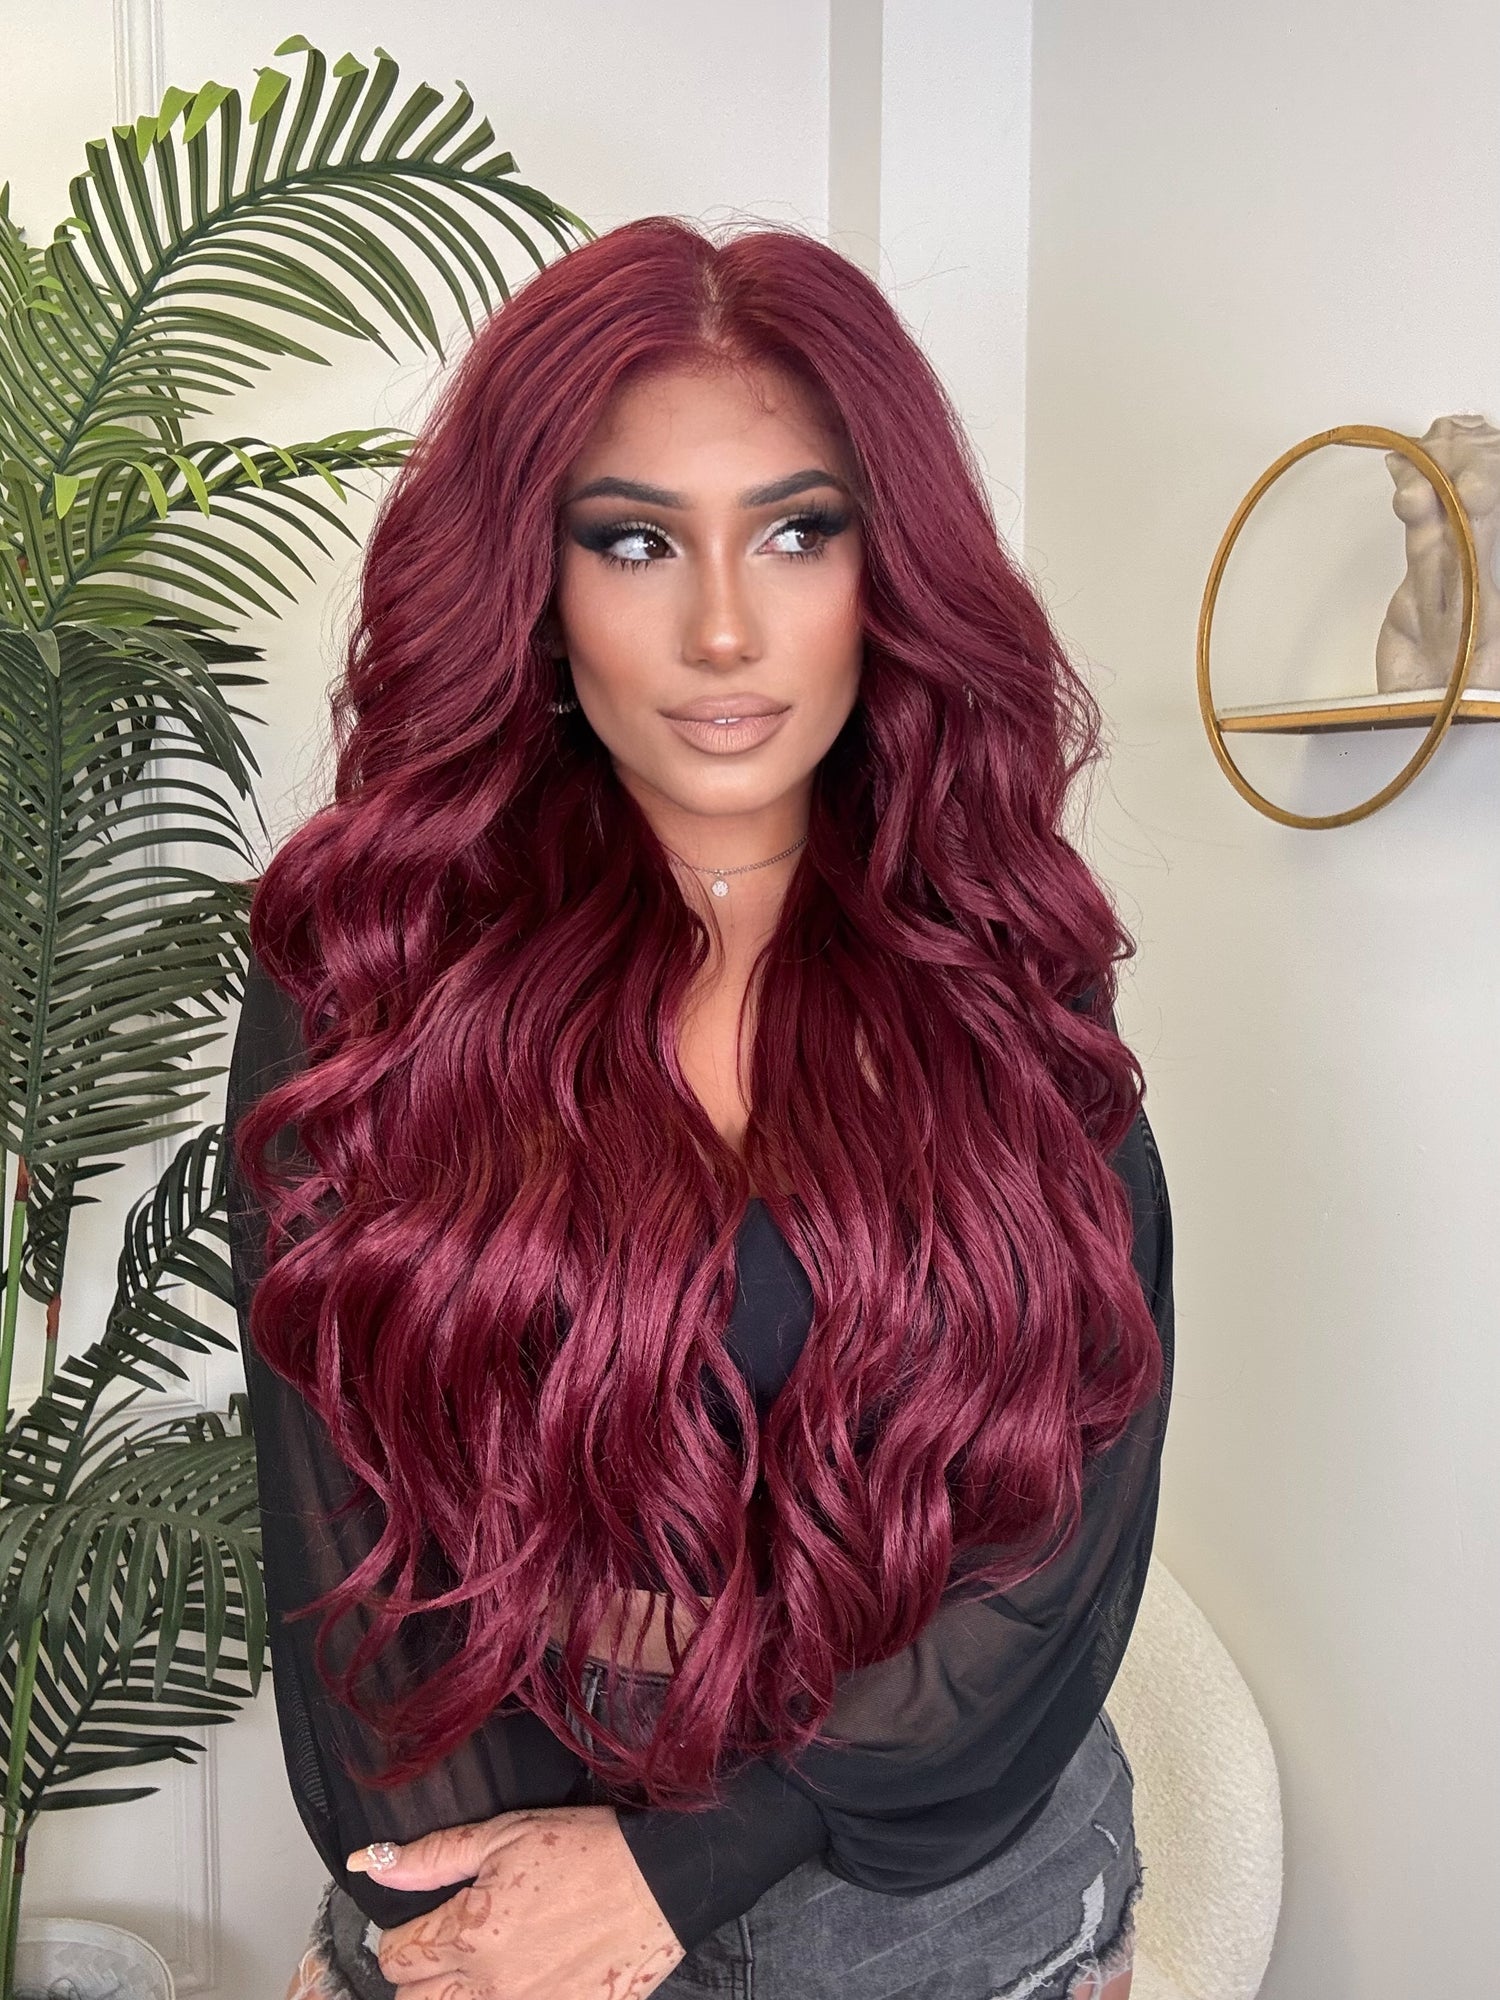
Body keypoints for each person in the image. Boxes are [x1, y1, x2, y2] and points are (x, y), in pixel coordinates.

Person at [224, 214, 1175, 2000]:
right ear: (534, 580)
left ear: (889, 570)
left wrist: (689, 1867)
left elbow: (1071, 1516)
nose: (725, 628)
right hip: (498, 1859)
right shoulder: (371, 968)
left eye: (799, 532)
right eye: (638, 540)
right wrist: (477, 1926)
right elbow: (334, 1530)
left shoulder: (1000, 963)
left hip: (939, 1893)